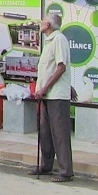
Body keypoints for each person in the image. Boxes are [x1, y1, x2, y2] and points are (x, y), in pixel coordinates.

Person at [29, 13, 74, 182]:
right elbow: (52, 68)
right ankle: (46, 164)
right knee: (45, 131)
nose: (41, 24)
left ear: (47, 24)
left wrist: (46, 88)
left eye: (43, 21)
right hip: (46, 94)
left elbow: (61, 67)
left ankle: (65, 171)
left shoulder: (59, 39)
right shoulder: (49, 42)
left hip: (56, 95)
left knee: (60, 133)